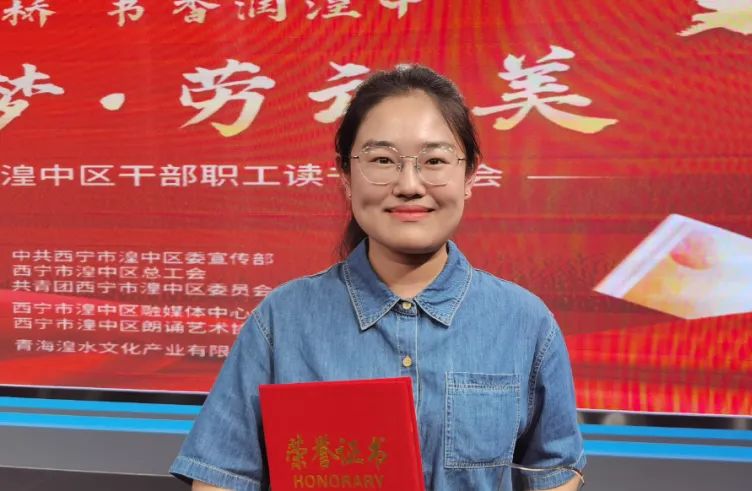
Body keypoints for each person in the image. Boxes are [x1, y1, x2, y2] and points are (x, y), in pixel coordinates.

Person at [169, 64, 585, 491]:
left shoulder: (524, 323)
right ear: (346, 176)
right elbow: (223, 477)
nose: (409, 185)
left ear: (469, 175)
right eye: (383, 160)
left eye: (434, 161)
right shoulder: (282, 321)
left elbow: (554, 472)